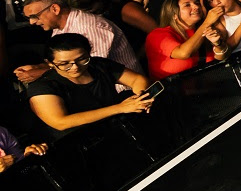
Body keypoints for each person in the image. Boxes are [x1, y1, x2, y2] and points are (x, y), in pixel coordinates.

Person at [26, 32, 154, 136]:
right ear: (49, 63)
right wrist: (119, 108)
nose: (75, 67)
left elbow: (137, 80)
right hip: (78, 143)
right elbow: (61, 122)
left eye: (82, 59)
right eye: (64, 64)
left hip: (115, 130)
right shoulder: (42, 87)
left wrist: (141, 97)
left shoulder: (98, 65)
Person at [16, 0, 143, 76]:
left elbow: (92, 68)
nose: (32, 22)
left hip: (123, 93)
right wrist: (37, 67)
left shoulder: (90, 27)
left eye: (35, 16)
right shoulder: (60, 26)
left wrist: (43, 72)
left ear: (55, 9)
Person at [144, 0, 227, 78]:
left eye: (197, 3)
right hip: (172, 89)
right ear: (174, 15)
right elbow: (183, 53)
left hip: (208, 87)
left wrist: (218, 44)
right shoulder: (158, 34)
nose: (196, 7)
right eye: (187, 5)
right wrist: (207, 22)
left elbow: (220, 58)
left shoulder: (201, 30)